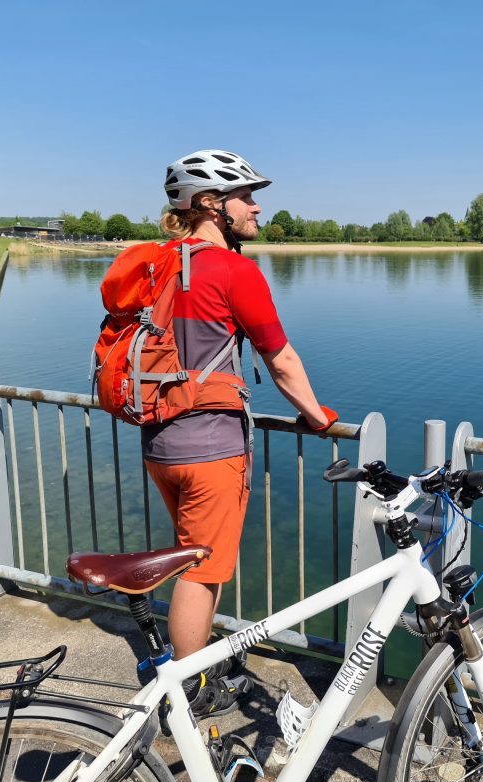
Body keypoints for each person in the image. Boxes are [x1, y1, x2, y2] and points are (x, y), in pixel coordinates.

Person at [146, 149, 337, 717]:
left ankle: (195, 661)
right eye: (246, 197)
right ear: (211, 204)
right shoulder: (234, 270)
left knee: (193, 556)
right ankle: (189, 695)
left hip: (159, 441)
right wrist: (316, 414)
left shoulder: (158, 262)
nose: (256, 207)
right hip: (211, 448)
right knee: (198, 573)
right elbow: (278, 360)